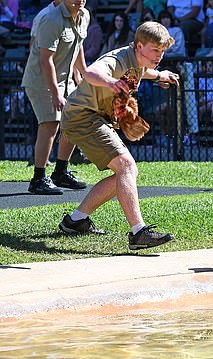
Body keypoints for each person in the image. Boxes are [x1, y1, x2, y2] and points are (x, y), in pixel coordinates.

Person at [58, 21, 180, 250]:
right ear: (139, 45)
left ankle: (75, 221)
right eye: (155, 50)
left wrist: (160, 75)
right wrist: (111, 82)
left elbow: (144, 71)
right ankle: (138, 233)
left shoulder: (139, 61)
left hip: (94, 117)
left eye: (162, 52)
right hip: (82, 116)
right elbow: (92, 72)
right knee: (126, 166)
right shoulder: (118, 59)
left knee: (125, 174)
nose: (159, 56)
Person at [20, 0, 90, 196]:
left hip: (66, 79)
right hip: (42, 81)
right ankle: (38, 179)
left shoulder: (84, 15)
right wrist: (56, 93)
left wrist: (81, 72)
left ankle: (61, 172)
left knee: (74, 121)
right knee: (50, 124)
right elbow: (46, 60)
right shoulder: (50, 18)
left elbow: (78, 44)